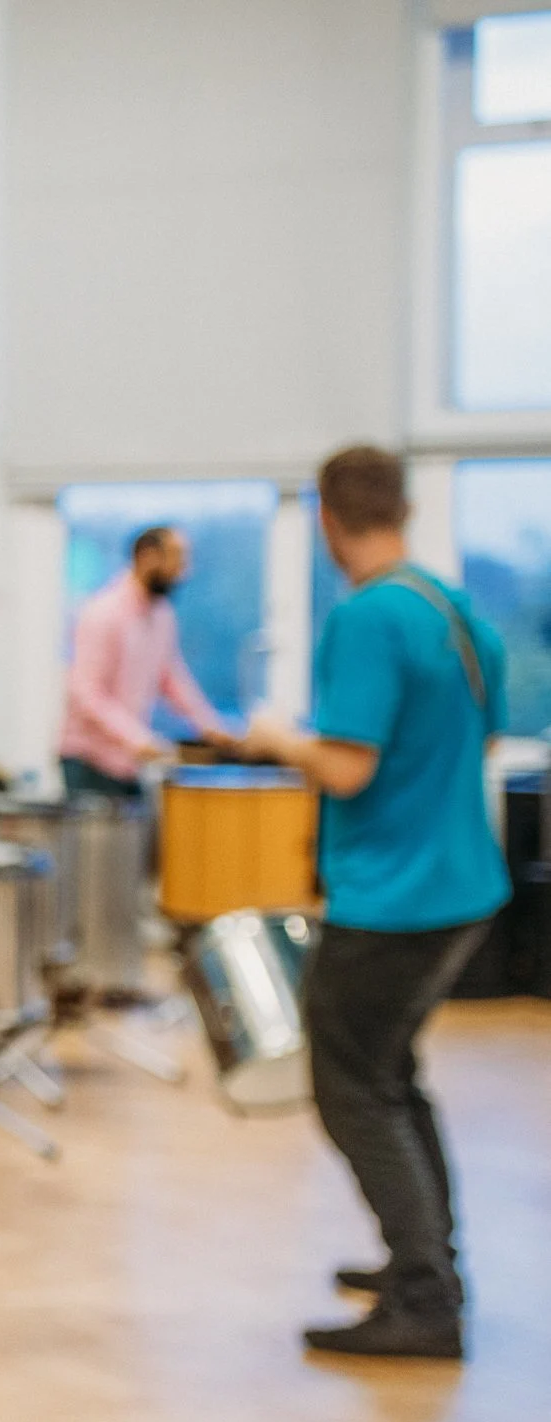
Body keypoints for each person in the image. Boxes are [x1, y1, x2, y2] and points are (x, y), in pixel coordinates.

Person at [245, 447, 508, 1360]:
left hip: (393, 896)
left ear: (328, 518)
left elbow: (349, 764)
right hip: (463, 886)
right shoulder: (461, 612)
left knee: (351, 1084)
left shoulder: (368, 617)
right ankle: (428, 1259)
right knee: (392, 1072)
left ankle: (426, 1298)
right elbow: (477, 744)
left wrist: (281, 739)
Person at [59, 524, 235, 795]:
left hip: (127, 762)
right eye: (177, 557)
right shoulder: (102, 613)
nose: (183, 570)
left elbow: (170, 678)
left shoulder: (162, 615)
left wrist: (210, 726)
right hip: (87, 761)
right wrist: (141, 740)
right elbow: (87, 694)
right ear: (148, 556)